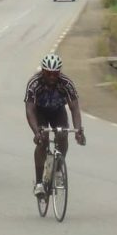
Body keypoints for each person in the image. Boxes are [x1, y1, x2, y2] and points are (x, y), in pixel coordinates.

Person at [24, 53, 85, 197]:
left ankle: (58, 169)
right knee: (43, 139)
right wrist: (36, 132)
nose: (52, 77)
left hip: (58, 111)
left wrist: (78, 130)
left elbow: (74, 108)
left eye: (55, 74)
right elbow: (29, 110)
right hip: (40, 112)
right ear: (43, 71)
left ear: (59, 72)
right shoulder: (34, 83)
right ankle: (39, 183)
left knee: (63, 135)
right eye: (48, 74)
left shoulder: (66, 83)